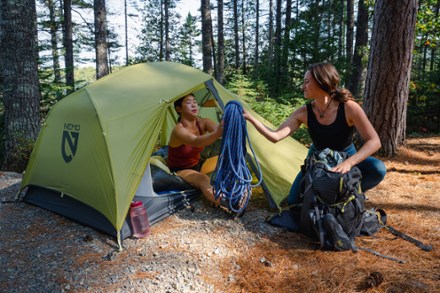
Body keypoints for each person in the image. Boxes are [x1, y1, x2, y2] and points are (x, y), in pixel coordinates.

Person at [243, 62, 386, 204]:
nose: (303, 86)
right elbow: (275, 136)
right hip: (317, 163)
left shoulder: (349, 107)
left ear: (321, 82)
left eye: (307, 82)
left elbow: (374, 141)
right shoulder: (304, 112)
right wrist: (251, 118)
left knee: (378, 169)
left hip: (346, 159)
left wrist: (349, 163)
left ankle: (349, 193)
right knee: (294, 201)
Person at [167, 94, 223, 205]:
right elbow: (196, 141)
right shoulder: (178, 130)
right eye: (188, 102)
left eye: (194, 101)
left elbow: (220, 131)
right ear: (179, 109)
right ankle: (228, 202)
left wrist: (227, 124)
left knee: (225, 157)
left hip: (198, 164)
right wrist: (218, 132)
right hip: (180, 170)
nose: (193, 105)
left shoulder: (203, 122)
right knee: (203, 179)